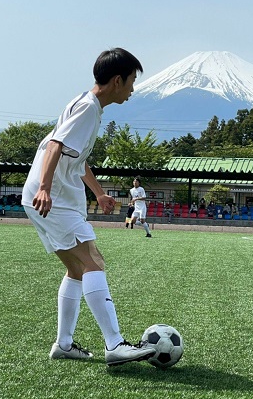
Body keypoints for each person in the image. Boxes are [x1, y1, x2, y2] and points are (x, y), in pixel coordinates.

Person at [21, 48, 155, 367]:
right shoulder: (87, 109)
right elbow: (54, 146)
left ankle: (64, 343)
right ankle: (115, 344)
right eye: (132, 82)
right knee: (93, 260)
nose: (133, 89)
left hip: (47, 196)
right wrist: (44, 188)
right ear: (117, 80)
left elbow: (76, 159)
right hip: (52, 198)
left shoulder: (85, 104)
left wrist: (99, 193)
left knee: (77, 269)